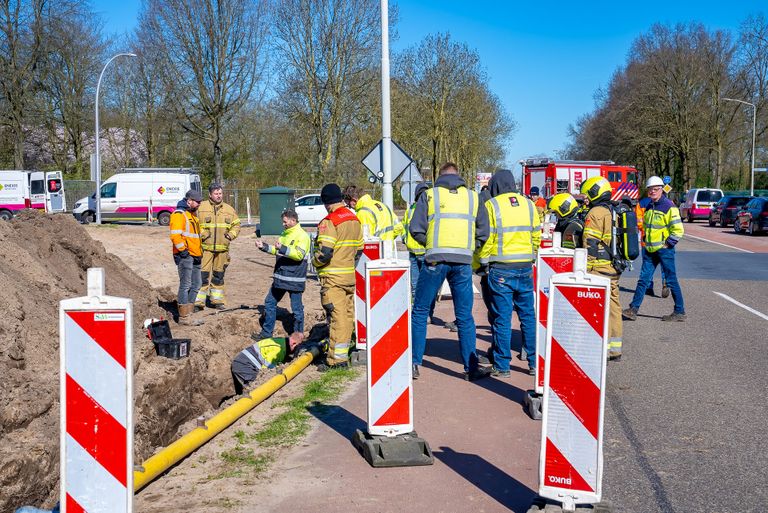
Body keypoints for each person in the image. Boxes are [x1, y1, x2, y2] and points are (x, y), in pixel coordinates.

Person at [408, 162, 491, 381]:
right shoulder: (474, 197)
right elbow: (484, 231)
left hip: (435, 261)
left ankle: (414, 363)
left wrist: (431, 246)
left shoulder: (430, 195)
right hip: (463, 263)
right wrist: (469, 247)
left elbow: (415, 228)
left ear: (440, 176)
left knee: (419, 312)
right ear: (459, 176)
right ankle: (470, 367)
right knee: (464, 316)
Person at [477, 169, 541, 377]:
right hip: (524, 267)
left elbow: (487, 238)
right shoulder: (530, 205)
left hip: (501, 269)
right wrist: (531, 254)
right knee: (528, 316)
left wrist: (483, 263)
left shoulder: (491, 205)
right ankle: (533, 363)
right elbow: (536, 236)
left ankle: (503, 366)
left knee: (502, 318)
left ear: (495, 185)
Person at [312, 183, 363, 370]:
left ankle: (336, 361)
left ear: (326, 202)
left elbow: (324, 253)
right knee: (347, 317)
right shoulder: (354, 219)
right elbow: (359, 250)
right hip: (349, 277)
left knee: (337, 318)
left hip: (332, 279)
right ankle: (342, 354)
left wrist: (314, 263)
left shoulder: (330, 221)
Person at [623, 176, 685, 322]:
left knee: (670, 280)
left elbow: (678, 229)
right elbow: (647, 226)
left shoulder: (669, 206)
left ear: (662, 189)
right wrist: (645, 239)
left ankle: (680, 311)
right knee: (643, 280)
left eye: (656, 189)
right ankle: (633, 309)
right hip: (650, 251)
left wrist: (668, 244)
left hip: (664, 251)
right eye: (650, 189)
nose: (652, 192)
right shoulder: (650, 206)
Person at [580, 177, 623, 360]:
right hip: (613, 267)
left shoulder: (596, 212)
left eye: (587, 195)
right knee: (613, 306)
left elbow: (589, 243)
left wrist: (583, 269)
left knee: (596, 308)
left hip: (597, 268)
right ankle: (615, 348)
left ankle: (600, 348)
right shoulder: (615, 210)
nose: (586, 199)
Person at [255, 209, 311, 339]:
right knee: (269, 303)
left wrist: (283, 248)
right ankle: (266, 334)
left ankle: (298, 337)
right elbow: (277, 250)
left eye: (285, 222)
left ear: (293, 220)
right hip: (280, 278)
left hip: (294, 279)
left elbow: (298, 255)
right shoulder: (285, 234)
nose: (283, 224)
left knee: (297, 310)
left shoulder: (302, 236)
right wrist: (263, 246)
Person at [195, 183, 241, 310]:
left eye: (220, 193)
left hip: (222, 250)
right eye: (216, 193)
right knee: (202, 276)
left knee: (218, 276)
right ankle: (198, 303)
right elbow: (194, 224)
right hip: (205, 249)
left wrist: (231, 235)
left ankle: (217, 300)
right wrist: (203, 234)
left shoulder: (229, 209)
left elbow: (236, 225)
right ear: (210, 194)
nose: (218, 196)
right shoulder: (201, 207)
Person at [402, 182, 437, 322]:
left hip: (426, 252)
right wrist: (405, 239)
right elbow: (404, 227)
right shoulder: (410, 210)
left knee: (428, 285)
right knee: (416, 286)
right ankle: (420, 314)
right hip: (413, 253)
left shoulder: (430, 209)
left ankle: (428, 313)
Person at [170, 189, 203, 326]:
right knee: (186, 285)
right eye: (197, 202)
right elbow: (175, 235)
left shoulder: (191, 215)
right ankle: (184, 317)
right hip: (185, 255)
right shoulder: (179, 214)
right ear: (189, 201)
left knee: (196, 284)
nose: (199, 204)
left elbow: (195, 236)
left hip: (195, 255)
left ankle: (188, 313)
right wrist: (183, 251)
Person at [231, 332, 304, 394]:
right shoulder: (278, 349)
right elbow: (266, 369)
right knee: (255, 389)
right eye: (296, 348)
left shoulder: (281, 341)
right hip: (244, 364)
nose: (294, 351)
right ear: (293, 343)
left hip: (244, 361)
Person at [636, 194, 669, 298]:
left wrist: (646, 229)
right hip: (663, 241)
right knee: (664, 265)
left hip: (647, 241)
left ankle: (648, 287)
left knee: (647, 266)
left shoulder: (642, 203)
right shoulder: (668, 203)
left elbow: (639, 222)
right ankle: (666, 283)